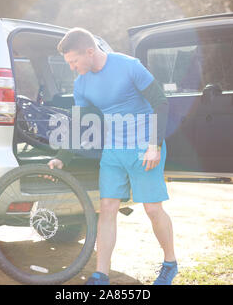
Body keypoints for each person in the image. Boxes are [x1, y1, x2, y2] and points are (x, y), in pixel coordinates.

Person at [47, 28, 177, 285]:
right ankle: (101, 274)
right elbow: (79, 122)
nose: (72, 67)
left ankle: (170, 263)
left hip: (144, 148)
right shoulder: (81, 83)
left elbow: (161, 102)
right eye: (69, 63)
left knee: (152, 209)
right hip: (114, 150)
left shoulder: (129, 66)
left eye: (74, 61)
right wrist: (62, 157)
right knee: (107, 209)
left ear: (90, 51)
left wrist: (155, 145)